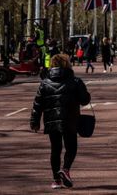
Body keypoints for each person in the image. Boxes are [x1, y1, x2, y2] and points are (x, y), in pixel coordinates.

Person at [30, 54, 91, 189]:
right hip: (70, 119)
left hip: (51, 120)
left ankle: (56, 180)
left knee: (55, 149)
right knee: (71, 148)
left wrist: (34, 122)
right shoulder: (75, 81)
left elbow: (37, 104)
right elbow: (85, 100)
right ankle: (66, 169)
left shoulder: (45, 83)